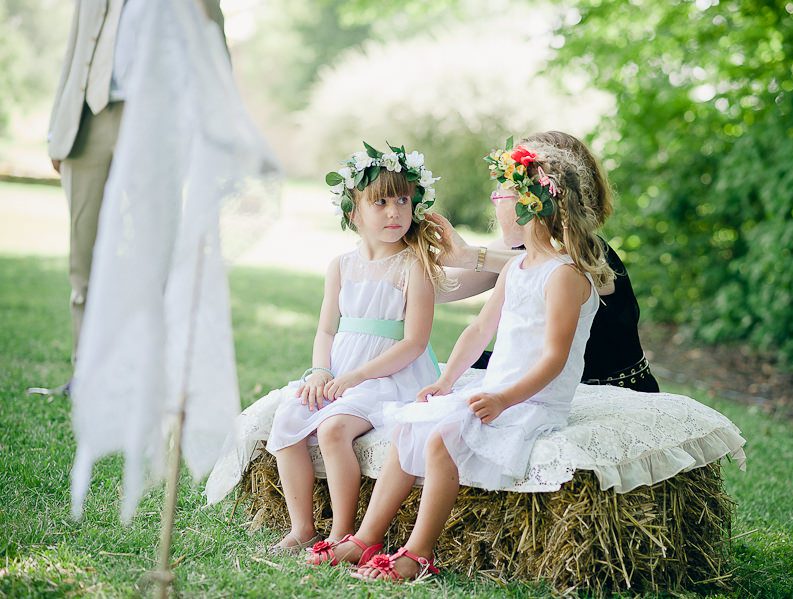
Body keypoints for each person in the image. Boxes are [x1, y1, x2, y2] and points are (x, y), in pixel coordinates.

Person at [306, 132, 611, 580]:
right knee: (410, 427)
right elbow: (477, 329)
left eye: (500, 195)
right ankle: (365, 536)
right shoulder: (517, 267)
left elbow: (553, 358)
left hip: (532, 401)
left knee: (440, 440)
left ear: (531, 203)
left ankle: (417, 552)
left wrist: (504, 400)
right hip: (497, 391)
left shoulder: (563, 275)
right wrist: (447, 380)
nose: (494, 204)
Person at [260, 144, 451, 563]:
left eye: (402, 200)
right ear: (353, 213)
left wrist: (356, 377)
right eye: (379, 202)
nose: (394, 212)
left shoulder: (412, 265)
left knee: (332, 430)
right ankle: (302, 528)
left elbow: (414, 342)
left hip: (390, 375)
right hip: (341, 371)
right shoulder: (341, 265)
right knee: (288, 418)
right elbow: (327, 328)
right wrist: (318, 372)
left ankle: (343, 532)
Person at [45, 0, 225, 393]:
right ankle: (86, 375)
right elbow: (76, 48)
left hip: (154, 125)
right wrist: (57, 126)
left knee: (153, 252)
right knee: (83, 252)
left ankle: (147, 374)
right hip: (85, 123)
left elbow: (213, 41)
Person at [429, 131, 660, 392]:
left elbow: (559, 269)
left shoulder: (591, 251)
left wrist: (473, 256)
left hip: (614, 388)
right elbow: (442, 288)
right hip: (549, 383)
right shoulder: (518, 248)